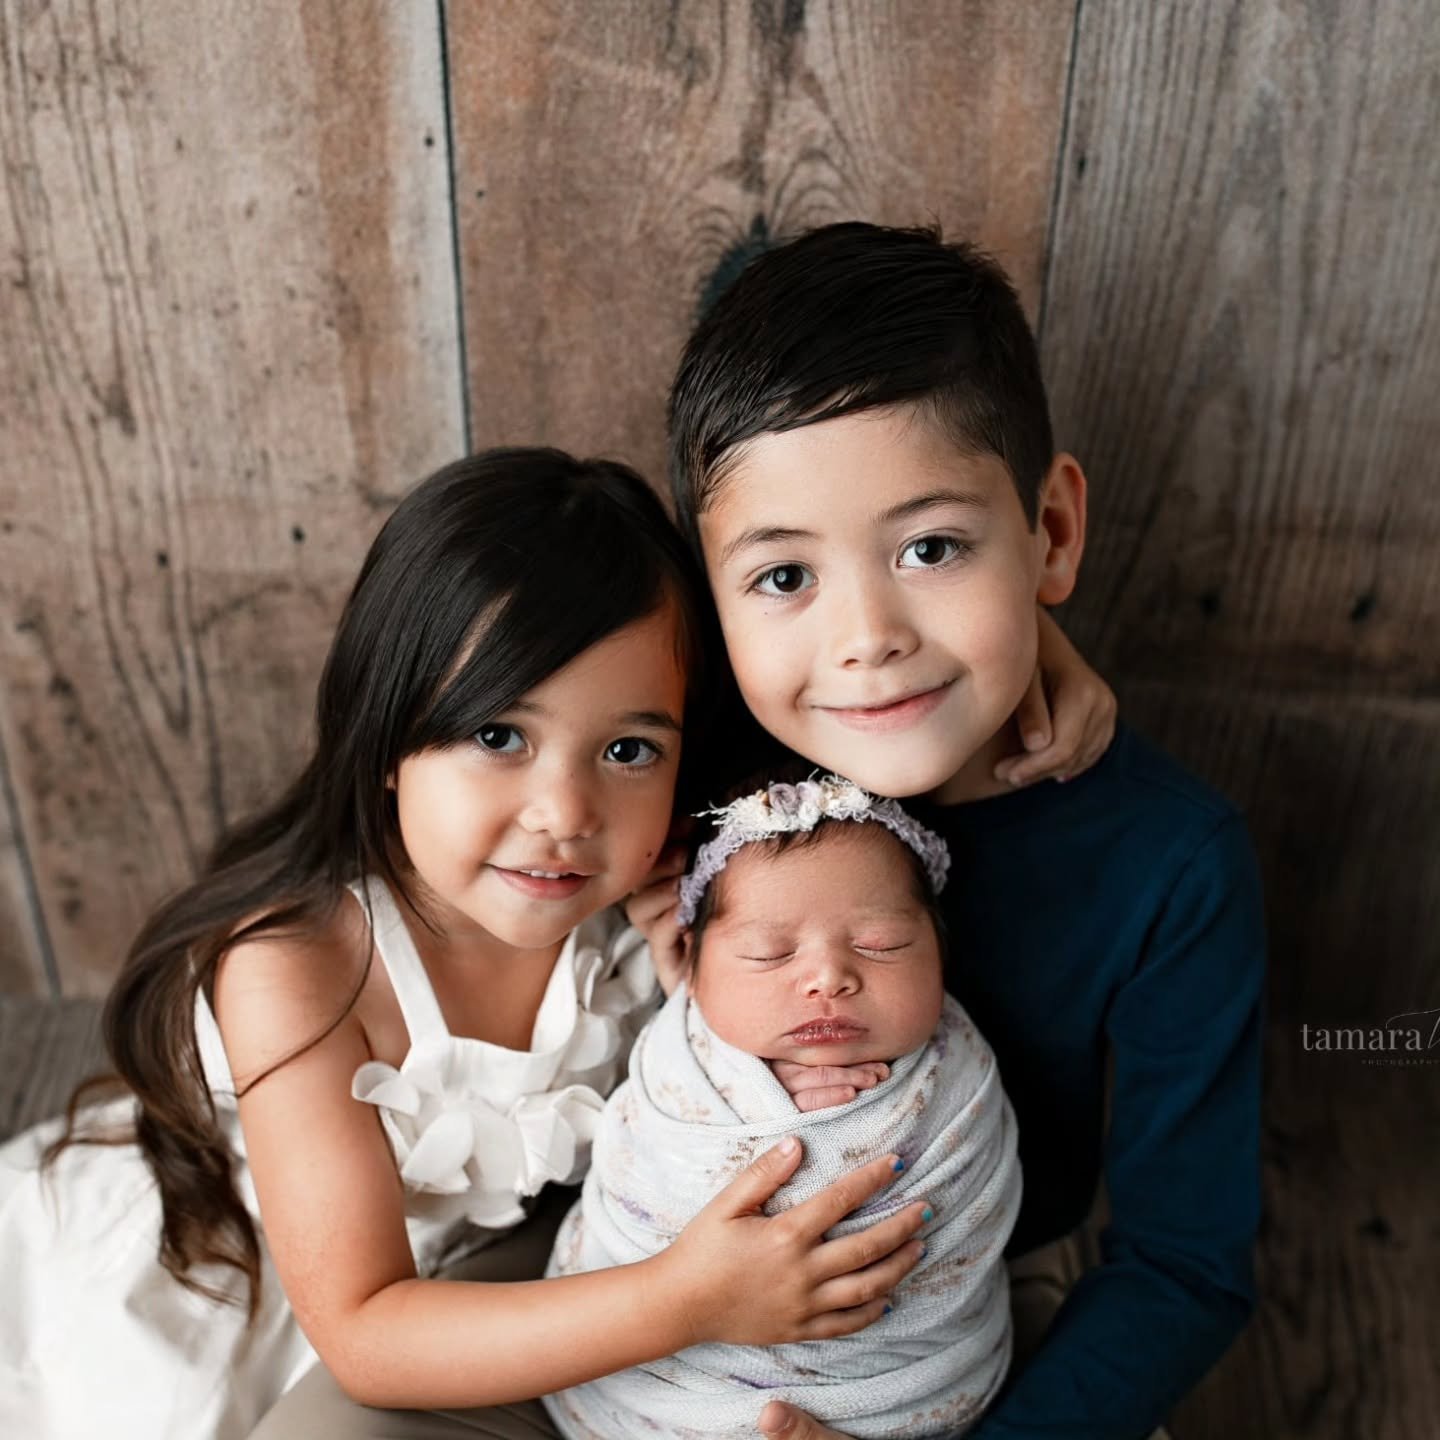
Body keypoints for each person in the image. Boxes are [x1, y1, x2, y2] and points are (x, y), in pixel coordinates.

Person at [0, 451, 934, 1440]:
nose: (565, 813)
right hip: (277, 1281)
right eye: (499, 736)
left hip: (519, 1281)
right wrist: (687, 1299)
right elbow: (363, 1331)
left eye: (628, 751)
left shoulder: (657, 902)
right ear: (391, 735)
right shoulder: (296, 969)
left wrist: (694, 1006)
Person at [634, 221, 1267, 1440]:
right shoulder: (693, 751)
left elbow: (1186, 1264)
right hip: (631, 1268)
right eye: (784, 579)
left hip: (966, 1318)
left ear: (1054, 533)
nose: (866, 636)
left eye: (932, 548)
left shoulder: (1169, 865)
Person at [545, 771, 1022, 1440]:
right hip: (671, 1384)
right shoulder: (680, 1060)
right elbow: (650, 1181)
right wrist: (759, 1115)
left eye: (880, 945)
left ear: (942, 954)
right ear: (691, 970)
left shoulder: (961, 1071)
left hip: (899, 1383)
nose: (828, 977)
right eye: (768, 954)